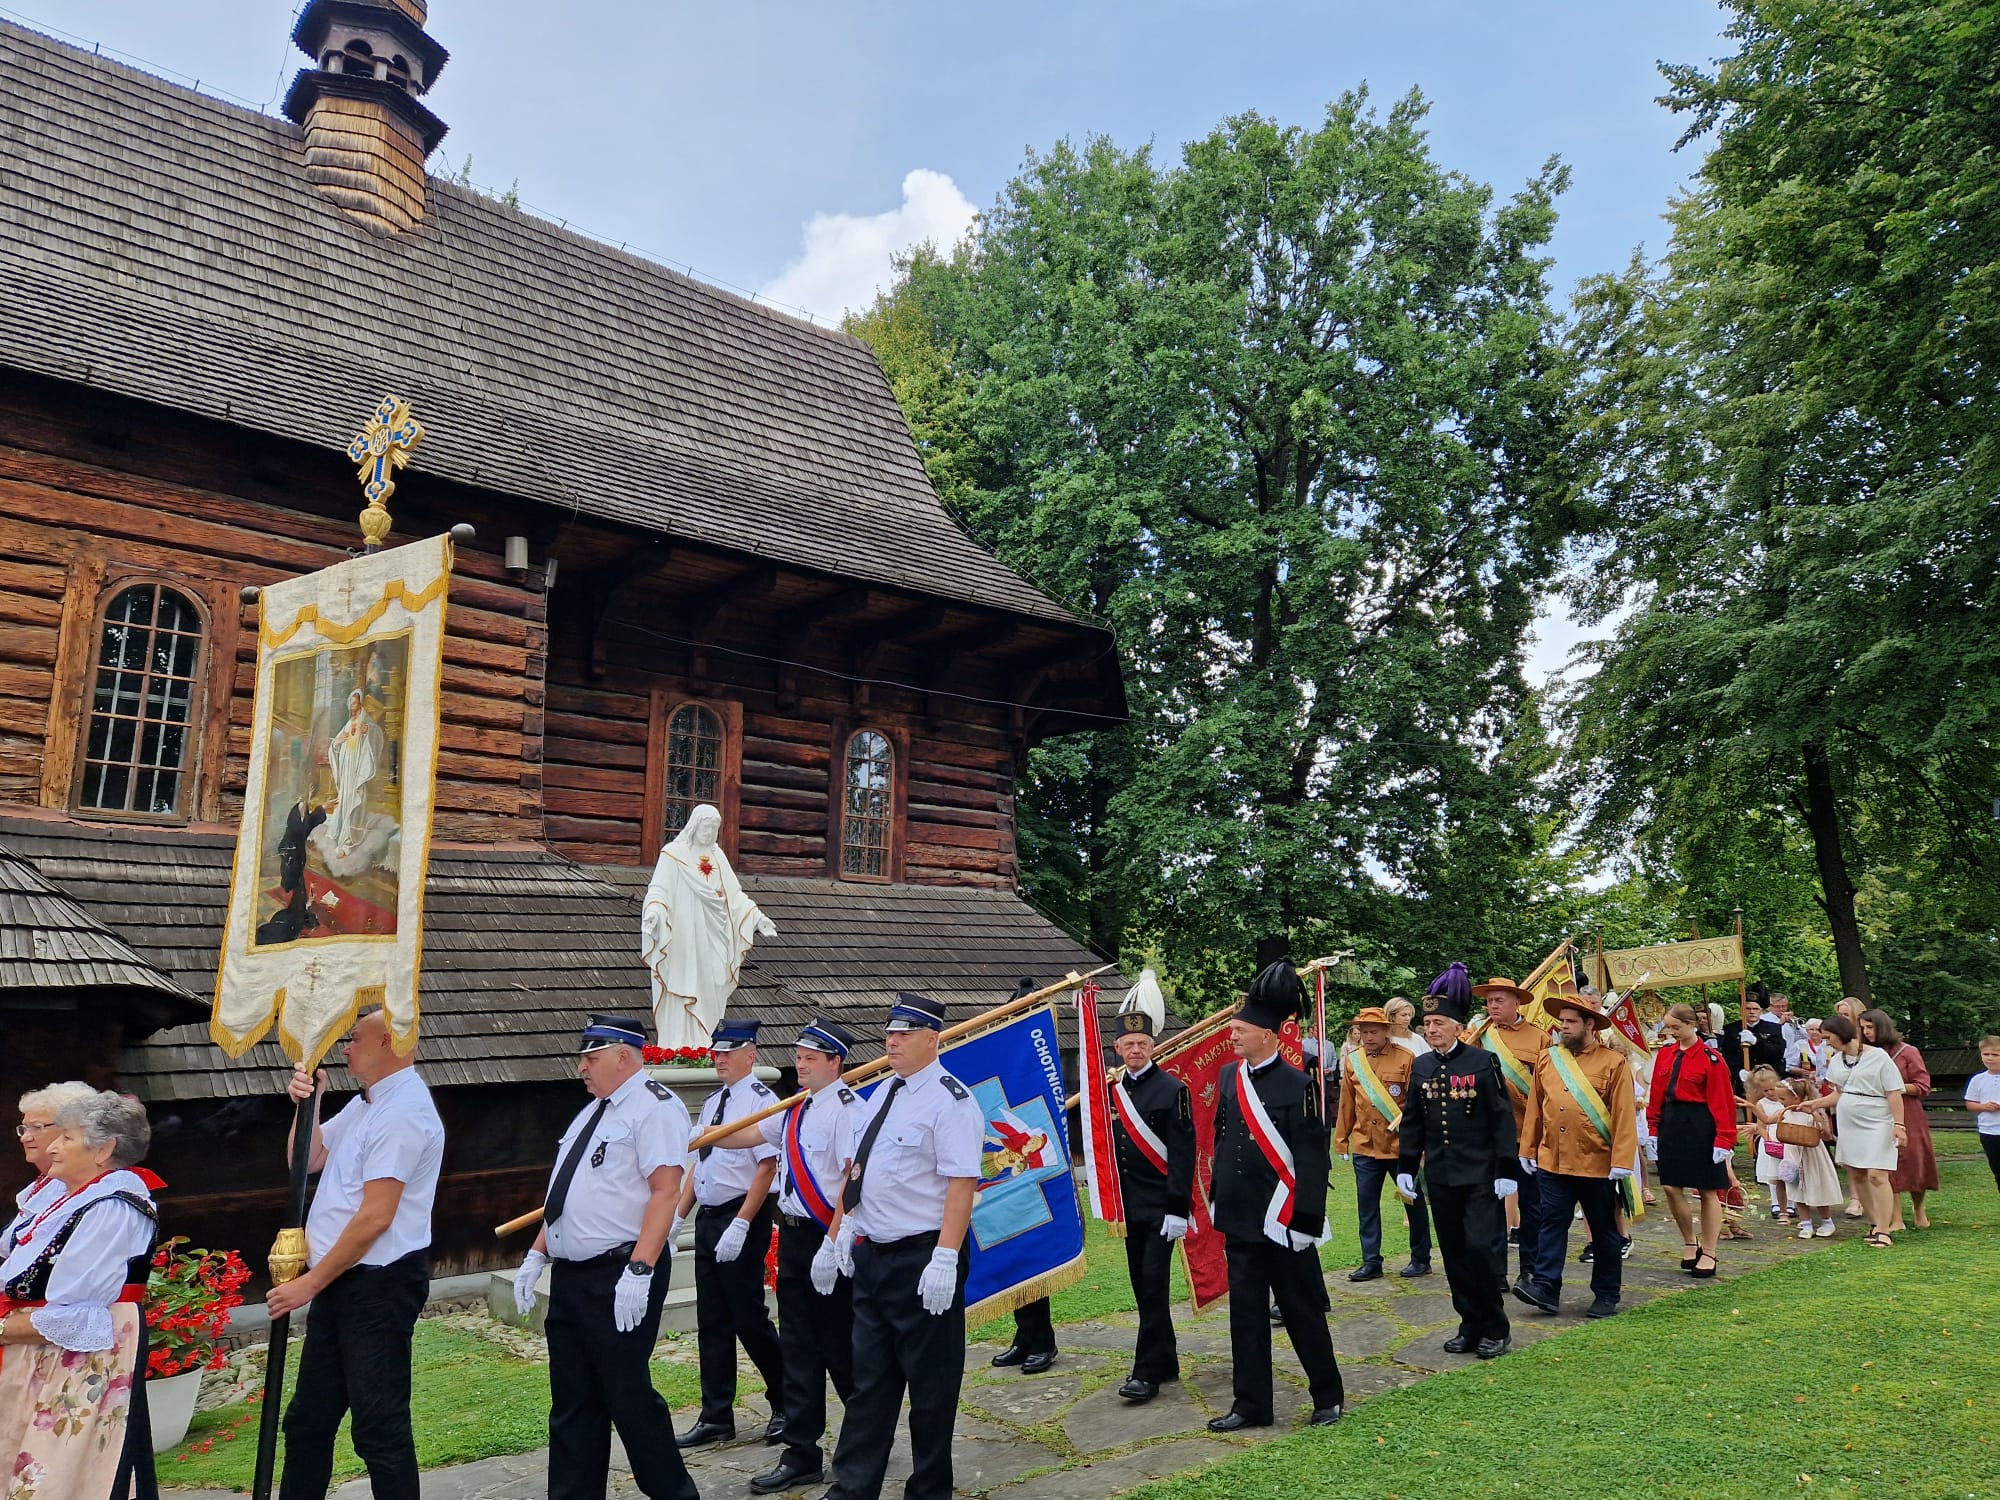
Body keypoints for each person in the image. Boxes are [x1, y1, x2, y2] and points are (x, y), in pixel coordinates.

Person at [512, 1015, 697, 1500]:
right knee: (572, 1400)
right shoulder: (591, 1113)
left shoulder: (653, 1109)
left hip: (619, 1273)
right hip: (574, 1276)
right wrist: (537, 1254)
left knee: (627, 1395)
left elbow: (664, 1192)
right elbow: (567, 1195)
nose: (581, 1068)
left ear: (623, 1055)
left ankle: (676, 1493)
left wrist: (641, 1268)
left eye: (591, 1058)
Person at [269, 1008, 446, 1500]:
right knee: (307, 1421)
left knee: (379, 1427)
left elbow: (376, 1216)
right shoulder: (368, 1104)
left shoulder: (403, 1112)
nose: (345, 1048)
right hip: (342, 1281)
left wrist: (309, 1282)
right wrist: (311, 1103)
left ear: (388, 1042)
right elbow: (305, 1160)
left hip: (378, 1284)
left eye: (354, 1039)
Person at [822, 992, 984, 1500]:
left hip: (923, 1257)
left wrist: (945, 1256)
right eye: (889, 1033)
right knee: (869, 1382)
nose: (891, 1041)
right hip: (875, 1254)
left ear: (932, 1039)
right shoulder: (881, 1093)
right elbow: (861, 1166)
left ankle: (929, 1489)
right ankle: (852, 1487)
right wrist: (845, 1227)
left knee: (932, 1389)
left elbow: (961, 1183)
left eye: (904, 1033)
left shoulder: (951, 1100)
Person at [701, 1017, 862, 1492]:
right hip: (791, 1240)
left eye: (812, 1058)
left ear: (836, 1061)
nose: (802, 1065)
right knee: (798, 1350)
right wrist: (700, 1138)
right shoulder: (795, 1109)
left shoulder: (849, 1110)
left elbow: (852, 1183)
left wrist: (834, 1242)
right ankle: (802, 1453)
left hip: (826, 1239)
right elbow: (748, 1137)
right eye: (799, 1057)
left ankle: (863, 1444)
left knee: (840, 1349)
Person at [1204, 958, 1344, 1430]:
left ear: (1268, 1034)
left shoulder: (1300, 1084)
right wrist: (1217, 1193)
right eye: (1233, 1029)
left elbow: (1310, 1157)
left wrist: (1307, 1219)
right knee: (1245, 1317)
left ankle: (1328, 1395)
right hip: (1241, 1217)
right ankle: (1250, 1405)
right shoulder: (1228, 1077)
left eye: (1241, 1029)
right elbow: (1224, 1139)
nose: (1234, 1036)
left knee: (1302, 1312)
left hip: (1283, 1220)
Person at [0, 1090, 159, 1500]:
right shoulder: (68, 1198)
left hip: (83, 1350)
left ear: (104, 1149)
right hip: (42, 1343)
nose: (52, 1146)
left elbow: (77, 1309)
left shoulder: (113, 1204)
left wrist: (5, 1325)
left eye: (65, 1137)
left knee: (62, 1471)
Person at [674, 1017, 788, 1448]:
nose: (719, 1059)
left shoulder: (760, 1101)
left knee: (748, 1317)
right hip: (708, 1219)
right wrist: (676, 1218)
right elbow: (698, 1166)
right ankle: (716, 1414)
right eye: (716, 1052)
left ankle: (785, 1401)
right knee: (712, 1321)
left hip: (742, 1217)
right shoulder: (712, 1103)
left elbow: (766, 1165)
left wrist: (742, 1222)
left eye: (728, 1052)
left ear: (750, 1055)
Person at [1397, 963, 1519, 1360]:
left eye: (1438, 1022)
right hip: (1443, 1174)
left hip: (1481, 1173)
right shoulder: (1422, 1065)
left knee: (1480, 1248)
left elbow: (1500, 1119)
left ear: (1457, 1027)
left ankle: (1494, 1327)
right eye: (1427, 1022)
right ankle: (1468, 1324)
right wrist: (1404, 1167)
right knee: (1452, 1252)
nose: (1431, 1029)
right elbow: (1413, 1121)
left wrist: (1506, 1168)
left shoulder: (1481, 1063)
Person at [1516, 993, 1638, 1320]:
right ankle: (1545, 1287)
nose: (1563, 1027)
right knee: (1551, 1223)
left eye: (1571, 1022)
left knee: (1603, 1231)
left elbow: (1624, 1114)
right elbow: (1535, 1109)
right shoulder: (1547, 1059)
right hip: (1552, 1161)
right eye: (1562, 1021)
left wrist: (1622, 1160)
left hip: (1597, 1163)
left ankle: (1606, 1294)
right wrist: (1528, 1148)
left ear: (1589, 1025)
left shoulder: (1613, 1062)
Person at [1104, 1003, 1196, 1403]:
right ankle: (1168, 1359)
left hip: (1161, 1208)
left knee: (1155, 1287)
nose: (1136, 1050)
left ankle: (1146, 1374)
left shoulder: (1174, 1090)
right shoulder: (1111, 1091)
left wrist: (1178, 1208)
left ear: (1153, 1047)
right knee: (1142, 1288)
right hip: (1129, 1209)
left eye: (1143, 1043)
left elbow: (1182, 1154)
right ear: (1118, 1047)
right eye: (1129, 1043)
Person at [641, 803, 779, 1050]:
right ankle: (678, 1045)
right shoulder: (673, 854)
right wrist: (654, 912)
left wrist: (758, 918)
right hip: (683, 936)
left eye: (715, 827)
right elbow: (659, 889)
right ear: (695, 825)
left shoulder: (718, 857)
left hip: (714, 935)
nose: (711, 832)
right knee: (682, 981)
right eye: (707, 826)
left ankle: (705, 1042)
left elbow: (735, 897)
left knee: (713, 982)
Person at [1335, 1006, 1431, 1282]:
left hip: (1400, 1147)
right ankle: (1371, 1260)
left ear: (1387, 1031)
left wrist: (1418, 1141)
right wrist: (1341, 1141)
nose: (1368, 1036)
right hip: (1365, 1145)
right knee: (1366, 1205)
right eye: (1363, 1032)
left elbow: (1417, 1104)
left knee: (1412, 1201)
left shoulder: (1406, 1058)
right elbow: (1346, 1104)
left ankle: (1420, 1257)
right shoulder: (1354, 1061)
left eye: (1374, 1031)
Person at [1794, 1013, 1906, 1248]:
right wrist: (1814, 1104)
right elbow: (1839, 1093)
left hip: (1878, 1119)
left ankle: (1885, 1230)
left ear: (1841, 1034)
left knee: (1877, 1173)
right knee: (1856, 1173)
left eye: (1828, 1037)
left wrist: (1899, 1125)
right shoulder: (1836, 1061)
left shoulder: (1878, 1057)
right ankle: (1875, 1223)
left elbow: (1894, 1093)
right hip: (1849, 1121)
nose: (1826, 1042)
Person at [1467, 976, 1549, 1290]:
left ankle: (1529, 1269)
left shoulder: (1539, 1038)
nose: (1492, 1006)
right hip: (1487, 1134)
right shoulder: (1477, 1034)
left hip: (1526, 1133)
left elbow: (1546, 1085)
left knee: (1531, 1205)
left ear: (1517, 1003)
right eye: (1489, 1001)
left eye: (1499, 1000)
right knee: (1489, 1205)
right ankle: (1495, 1270)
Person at [1645, 1003, 1735, 1279]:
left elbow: (1723, 1101)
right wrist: (1653, 1127)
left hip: (1701, 1123)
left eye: (1676, 1027)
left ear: (1691, 1025)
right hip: (1672, 1121)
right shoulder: (1666, 1055)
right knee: (1671, 1187)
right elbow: (1657, 1091)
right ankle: (1688, 1240)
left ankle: (1709, 1250)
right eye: (1668, 1027)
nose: (1671, 1033)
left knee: (1707, 1189)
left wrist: (1724, 1138)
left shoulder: (1711, 1058)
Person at [1864, 1010, 1938, 1232]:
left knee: (1915, 1161)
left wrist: (1894, 1087)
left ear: (1883, 1027)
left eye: (1870, 1027)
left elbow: (1923, 1085)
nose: (1866, 1032)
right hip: (1878, 1114)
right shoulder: (1867, 1053)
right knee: (1886, 1164)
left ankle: (1919, 1209)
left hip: (1909, 1113)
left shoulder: (1908, 1052)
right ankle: (1895, 1218)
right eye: (1863, 1028)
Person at [8, 1080, 99, 1254]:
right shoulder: (46, 1183)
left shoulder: (87, 1187)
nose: (24, 1138)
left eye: (37, 1127)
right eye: (24, 1128)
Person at [1780, 1077, 1842, 1237]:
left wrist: (1814, 1114)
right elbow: (1768, 1120)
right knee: (1796, 1188)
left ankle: (1827, 1221)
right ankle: (1806, 1224)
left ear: (1795, 1098)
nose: (1780, 1102)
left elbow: (1826, 1134)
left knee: (1817, 1185)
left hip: (1812, 1155)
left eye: (1783, 1098)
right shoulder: (1785, 1114)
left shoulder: (1811, 1113)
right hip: (1793, 1155)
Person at [1746, 1067, 1796, 1224]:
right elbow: (1761, 1125)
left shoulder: (1785, 1101)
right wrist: (1768, 1139)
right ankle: (1776, 1202)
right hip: (1771, 1141)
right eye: (1765, 1090)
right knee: (1774, 1174)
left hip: (1787, 1139)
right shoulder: (1762, 1104)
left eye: (1772, 1089)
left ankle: (1791, 1202)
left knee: (1789, 1172)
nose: (1770, 1093)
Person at [1721, 992, 1788, 1084]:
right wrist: (1737, 1072)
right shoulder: (1730, 1029)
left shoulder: (1774, 1028)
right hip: (1742, 1078)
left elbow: (1778, 1053)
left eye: (1755, 1009)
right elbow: (1727, 1056)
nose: (1752, 1012)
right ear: (1741, 1010)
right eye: (1748, 1009)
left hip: (1768, 1077)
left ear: (1761, 1011)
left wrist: (1757, 1041)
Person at [1965, 1036, 2000, 1193]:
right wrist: (1984, 1106)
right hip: (1989, 1131)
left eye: (1995, 1055)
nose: (1990, 1058)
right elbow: (1970, 1104)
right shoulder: (1977, 1080)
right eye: (1986, 1054)